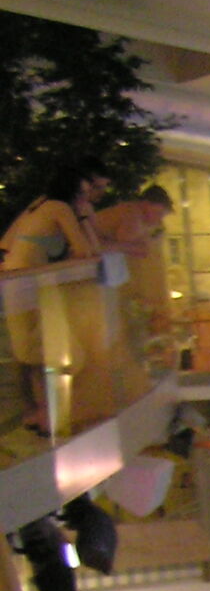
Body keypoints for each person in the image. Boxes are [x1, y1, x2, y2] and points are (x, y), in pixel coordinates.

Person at [3, 162, 104, 434]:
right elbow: (88, 251)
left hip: (16, 284)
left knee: (32, 353)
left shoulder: (39, 206)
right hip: (28, 287)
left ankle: (39, 414)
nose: (86, 199)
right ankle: (48, 414)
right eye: (82, 194)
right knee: (60, 354)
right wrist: (84, 217)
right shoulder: (60, 208)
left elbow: (8, 243)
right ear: (73, 192)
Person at [89, 183, 173, 259]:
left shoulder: (139, 217)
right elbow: (135, 250)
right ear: (146, 203)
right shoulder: (133, 215)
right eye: (157, 213)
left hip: (92, 247)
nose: (158, 220)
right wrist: (148, 242)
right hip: (87, 245)